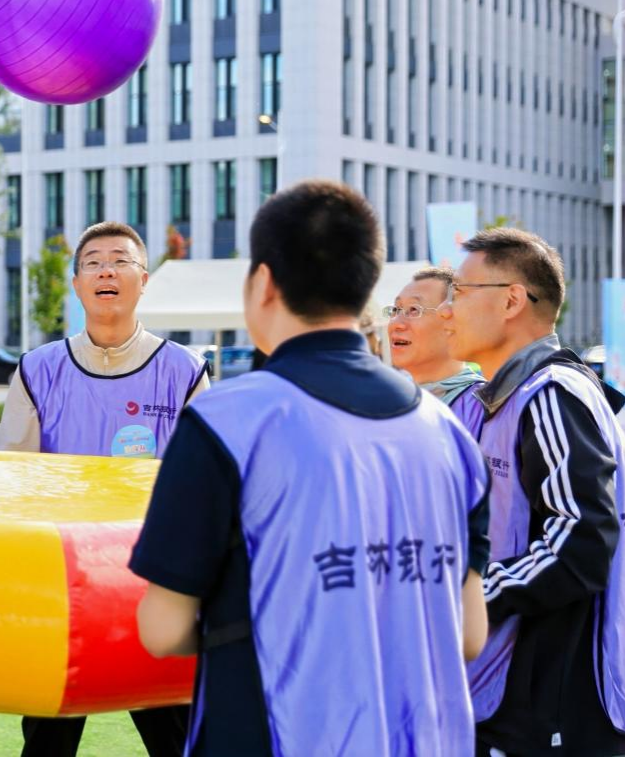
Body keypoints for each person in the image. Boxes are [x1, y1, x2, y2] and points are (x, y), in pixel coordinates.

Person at [130, 181, 491, 755]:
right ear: (367, 287)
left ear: (264, 283)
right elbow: (469, 633)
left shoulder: (227, 421)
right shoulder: (450, 434)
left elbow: (163, 628)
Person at [0, 221, 208, 757]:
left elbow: (205, 493)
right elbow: (13, 484)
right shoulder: (37, 369)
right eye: (93, 262)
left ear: (144, 279)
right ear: (77, 284)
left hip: (155, 588)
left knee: (178, 738)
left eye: (120, 260)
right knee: (47, 741)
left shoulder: (185, 371)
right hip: (64, 587)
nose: (106, 271)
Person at [439, 227, 624, 756]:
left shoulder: (550, 394)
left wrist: (462, 598)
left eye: (459, 291)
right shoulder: (502, 397)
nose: (446, 311)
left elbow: (579, 544)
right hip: (512, 692)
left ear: (512, 300)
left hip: (553, 700)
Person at [386, 266, 486, 435]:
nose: (396, 323)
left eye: (414, 310)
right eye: (396, 309)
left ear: (453, 320)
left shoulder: (483, 407)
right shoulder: (385, 401)